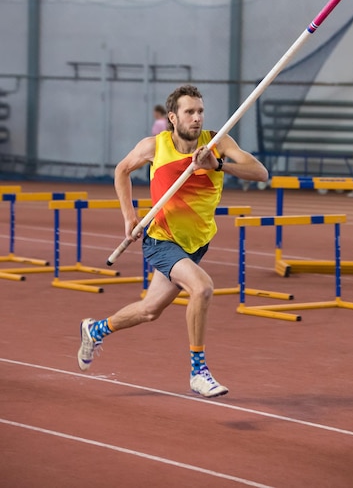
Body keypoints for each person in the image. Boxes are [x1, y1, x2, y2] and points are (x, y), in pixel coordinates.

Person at [77, 84, 268, 398]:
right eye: (189, 112)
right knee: (202, 287)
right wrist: (129, 215)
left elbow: (260, 173)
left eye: (200, 112)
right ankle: (198, 371)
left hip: (196, 242)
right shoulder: (156, 146)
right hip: (161, 240)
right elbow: (121, 170)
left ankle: (95, 329)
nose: (196, 118)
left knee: (150, 310)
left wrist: (217, 165)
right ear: (173, 117)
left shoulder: (217, 143)